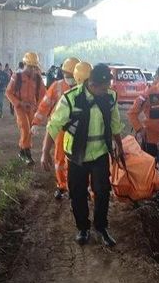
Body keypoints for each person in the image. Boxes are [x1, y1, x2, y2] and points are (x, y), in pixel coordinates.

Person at [41, 63, 124, 247]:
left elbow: (115, 124)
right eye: (103, 88)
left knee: (102, 192)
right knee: (77, 193)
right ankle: (83, 228)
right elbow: (53, 125)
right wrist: (45, 151)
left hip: (100, 153)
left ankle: (101, 227)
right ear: (92, 84)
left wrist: (119, 146)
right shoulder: (71, 99)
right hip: (76, 155)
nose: (107, 90)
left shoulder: (109, 97)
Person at [127, 64, 159, 221]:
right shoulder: (148, 94)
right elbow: (132, 113)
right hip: (151, 143)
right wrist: (139, 129)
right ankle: (141, 201)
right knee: (147, 174)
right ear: (158, 78)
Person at [31, 57, 80, 199]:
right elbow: (44, 106)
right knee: (59, 158)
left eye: (70, 75)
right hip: (60, 129)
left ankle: (78, 186)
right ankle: (62, 186)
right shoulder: (57, 87)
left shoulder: (83, 88)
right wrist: (35, 122)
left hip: (77, 130)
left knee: (78, 158)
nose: (68, 78)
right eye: (66, 74)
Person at [6, 52, 46, 165]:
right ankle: (26, 153)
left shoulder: (38, 78)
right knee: (25, 127)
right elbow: (8, 92)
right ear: (24, 64)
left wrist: (40, 108)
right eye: (30, 66)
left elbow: (44, 95)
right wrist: (18, 103)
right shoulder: (16, 76)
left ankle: (22, 151)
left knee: (30, 131)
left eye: (34, 67)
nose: (32, 69)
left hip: (32, 108)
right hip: (20, 107)